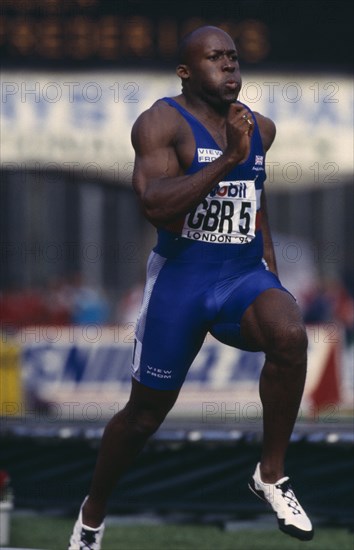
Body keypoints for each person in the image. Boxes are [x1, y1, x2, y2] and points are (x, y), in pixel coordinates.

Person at [68, 25, 313, 549]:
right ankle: (92, 514)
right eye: (214, 58)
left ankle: (270, 474)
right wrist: (227, 158)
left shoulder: (260, 128)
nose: (230, 67)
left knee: (290, 335)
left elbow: (254, 201)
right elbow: (155, 205)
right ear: (185, 72)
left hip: (241, 275)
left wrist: (269, 270)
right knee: (143, 418)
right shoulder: (160, 123)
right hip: (182, 280)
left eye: (233, 57)